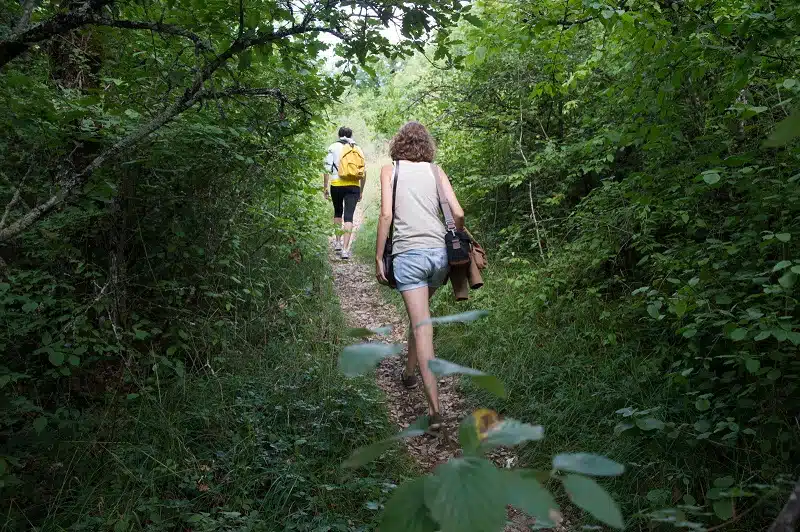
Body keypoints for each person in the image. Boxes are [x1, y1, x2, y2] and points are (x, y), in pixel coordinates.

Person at [375, 122, 464, 430]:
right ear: (427, 145)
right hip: (440, 257)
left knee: (422, 325)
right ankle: (409, 374)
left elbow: (386, 215)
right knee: (420, 316)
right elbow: (459, 213)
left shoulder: (390, 171)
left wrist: (377, 256)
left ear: (398, 144)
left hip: (409, 256)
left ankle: (436, 411)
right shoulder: (435, 171)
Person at [324, 126, 366, 259]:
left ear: (339, 135)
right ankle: (345, 250)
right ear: (351, 135)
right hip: (353, 185)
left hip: (336, 184)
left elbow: (326, 169)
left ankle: (337, 242)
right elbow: (364, 172)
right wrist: (361, 190)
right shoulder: (357, 148)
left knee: (337, 212)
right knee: (349, 217)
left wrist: (325, 187)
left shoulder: (333, 147)